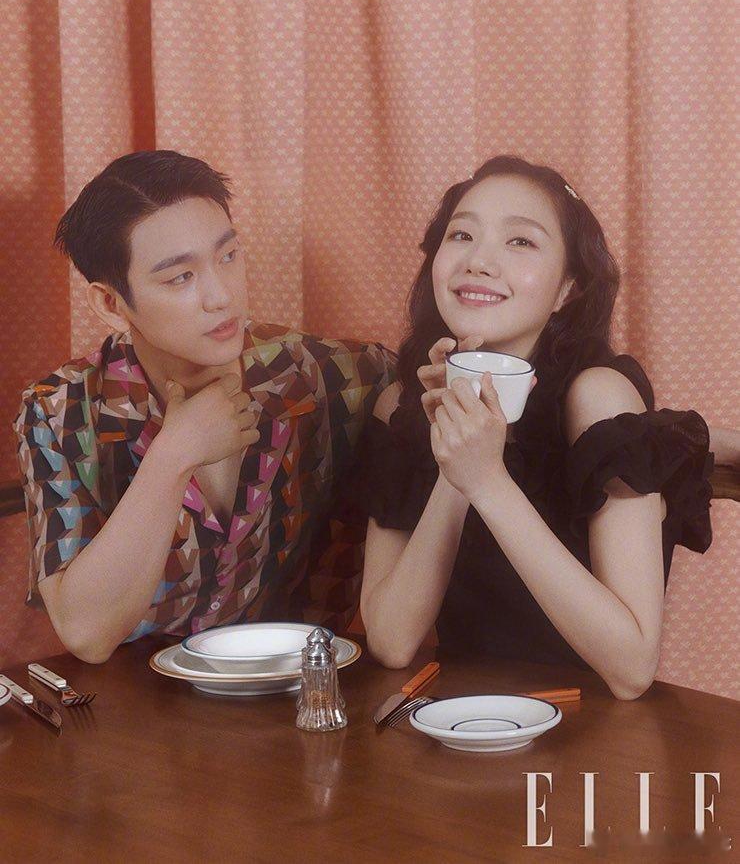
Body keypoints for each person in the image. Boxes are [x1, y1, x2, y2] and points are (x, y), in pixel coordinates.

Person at [357, 155, 715, 700]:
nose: (479, 261)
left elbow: (631, 668)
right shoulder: (403, 405)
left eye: (520, 241)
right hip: (467, 721)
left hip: (593, 725)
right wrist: (455, 462)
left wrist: (487, 481)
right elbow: (391, 641)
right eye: (461, 235)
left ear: (567, 287)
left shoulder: (598, 398)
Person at [14, 151, 393, 663]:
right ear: (110, 304)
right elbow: (86, 633)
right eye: (180, 278)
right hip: (137, 700)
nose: (220, 296)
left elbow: (440, 381)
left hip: (309, 690)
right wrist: (173, 454)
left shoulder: (331, 376)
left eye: (228, 256)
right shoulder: (61, 412)